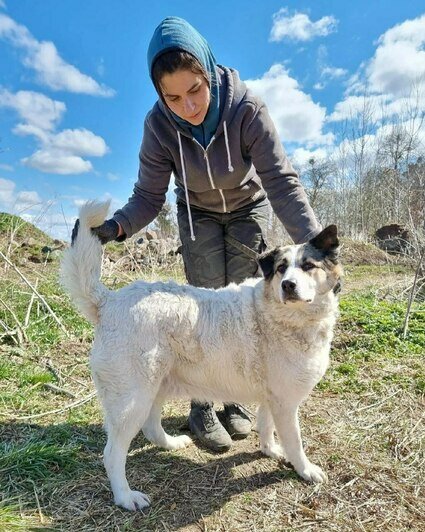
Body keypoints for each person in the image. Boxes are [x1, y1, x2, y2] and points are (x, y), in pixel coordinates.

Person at [71, 16, 321, 453]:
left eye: (195, 90)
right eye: (173, 97)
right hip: (198, 214)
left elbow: (281, 183)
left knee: (245, 311)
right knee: (203, 312)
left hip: (248, 207)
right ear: (160, 96)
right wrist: (114, 227)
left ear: (208, 71)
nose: (187, 106)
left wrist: (316, 243)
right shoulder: (159, 127)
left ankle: (238, 404)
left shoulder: (247, 110)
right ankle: (202, 406)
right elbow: (148, 195)